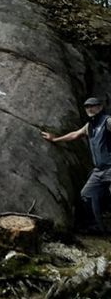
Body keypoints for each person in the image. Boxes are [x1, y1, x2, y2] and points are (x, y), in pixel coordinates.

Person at [41, 96, 111, 234]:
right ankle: (97, 227)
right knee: (87, 195)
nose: (90, 109)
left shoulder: (107, 121)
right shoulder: (89, 126)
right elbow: (75, 135)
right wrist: (55, 139)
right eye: (87, 107)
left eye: (93, 105)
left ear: (100, 107)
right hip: (98, 170)